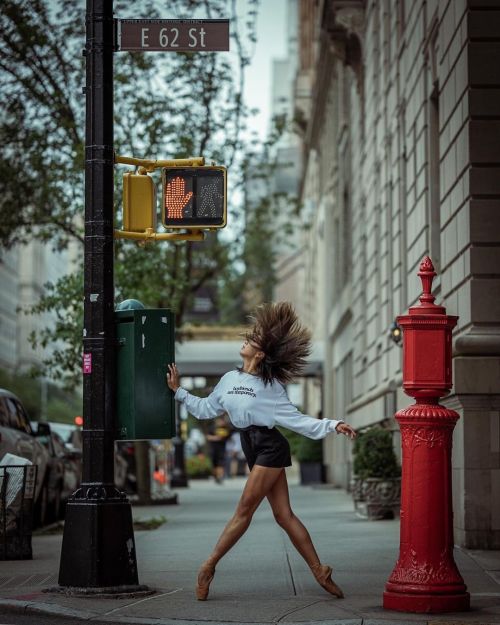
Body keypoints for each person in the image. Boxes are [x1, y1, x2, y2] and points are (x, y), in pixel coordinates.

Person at [167, 301, 356, 602]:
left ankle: (208, 567)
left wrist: (333, 425)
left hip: (269, 446)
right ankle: (320, 571)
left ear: (260, 354)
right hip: (250, 445)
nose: (246, 340)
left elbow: (297, 421)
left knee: (245, 510)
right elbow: (205, 409)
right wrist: (179, 392)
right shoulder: (229, 380)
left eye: (252, 340)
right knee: (283, 515)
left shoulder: (271, 387)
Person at [206, 414, 231, 483]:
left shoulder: (227, 428)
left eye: (223, 421)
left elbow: (229, 437)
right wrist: (216, 438)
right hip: (213, 448)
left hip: (222, 449)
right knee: (214, 463)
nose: (221, 422)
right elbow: (208, 437)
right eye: (220, 421)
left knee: (221, 463)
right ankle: (215, 476)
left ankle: (220, 477)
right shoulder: (212, 427)